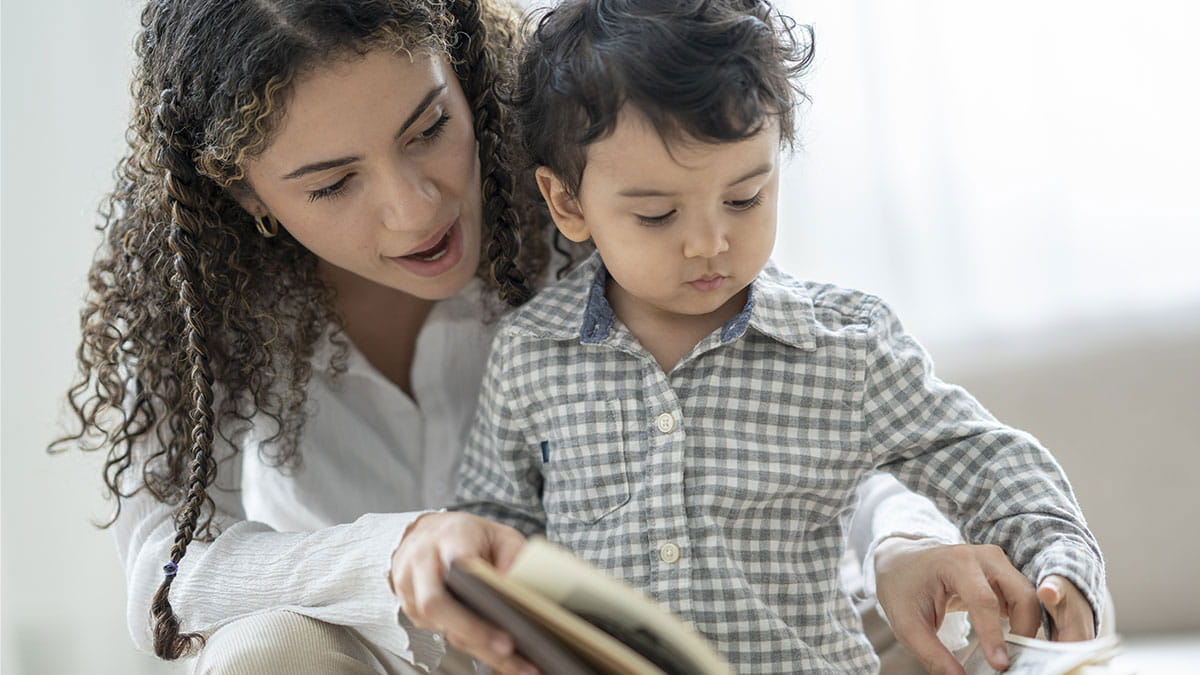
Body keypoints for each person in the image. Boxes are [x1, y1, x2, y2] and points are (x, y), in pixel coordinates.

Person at [52, 0, 1071, 674]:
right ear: (243, 192)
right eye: (330, 183)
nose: (415, 212)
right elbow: (170, 573)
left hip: (653, 636)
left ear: (461, 72)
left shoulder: (594, 198)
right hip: (397, 657)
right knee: (261, 654)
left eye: (427, 129)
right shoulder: (199, 308)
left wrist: (906, 538)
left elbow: (783, 399)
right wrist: (398, 549)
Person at [452, 0, 1105, 672]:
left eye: (744, 198)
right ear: (568, 204)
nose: (710, 242)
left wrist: (1061, 565)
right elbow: (488, 526)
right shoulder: (530, 353)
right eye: (656, 214)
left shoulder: (845, 344)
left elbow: (989, 461)